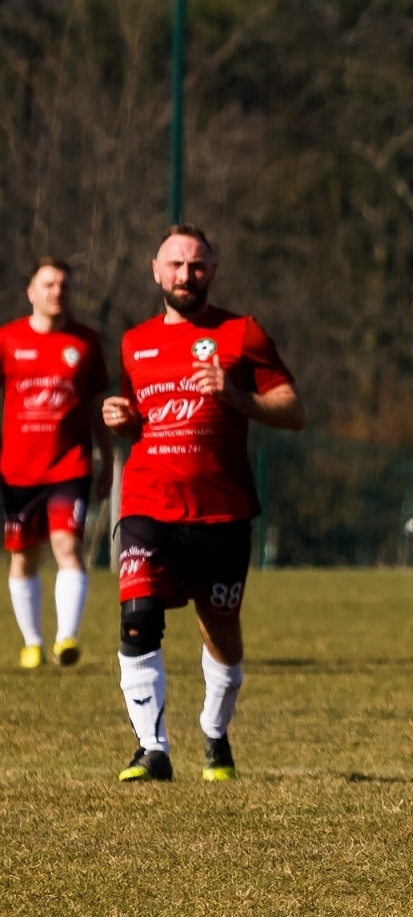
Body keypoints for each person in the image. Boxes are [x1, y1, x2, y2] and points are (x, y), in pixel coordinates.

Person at [102, 224, 305, 781]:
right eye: (175, 265)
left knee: (221, 631)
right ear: (155, 270)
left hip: (221, 511)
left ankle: (214, 732)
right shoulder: (133, 341)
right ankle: (152, 748)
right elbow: (139, 419)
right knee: (137, 619)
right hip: (147, 503)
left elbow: (293, 410)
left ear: (212, 271)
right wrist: (122, 420)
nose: (185, 275)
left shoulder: (242, 334)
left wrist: (235, 395)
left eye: (196, 265)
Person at [0, 258, 113, 668]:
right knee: (24, 554)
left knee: (67, 544)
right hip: (18, 469)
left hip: (71, 465)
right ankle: (32, 642)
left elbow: (97, 405)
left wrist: (109, 460)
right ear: (31, 291)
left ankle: (66, 639)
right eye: (48, 284)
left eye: (63, 285)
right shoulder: (7, 339)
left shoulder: (85, 342)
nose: (57, 291)